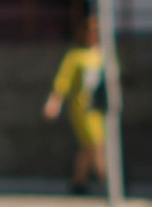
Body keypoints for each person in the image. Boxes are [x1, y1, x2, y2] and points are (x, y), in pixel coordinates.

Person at [42, 13, 107, 194]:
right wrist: (54, 102)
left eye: (96, 30)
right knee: (96, 144)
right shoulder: (75, 55)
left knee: (88, 147)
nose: (93, 33)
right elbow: (63, 81)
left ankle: (78, 182)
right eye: (90, 30)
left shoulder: (102, 53)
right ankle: (107, 181)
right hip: (82, 108)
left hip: (99, 108)